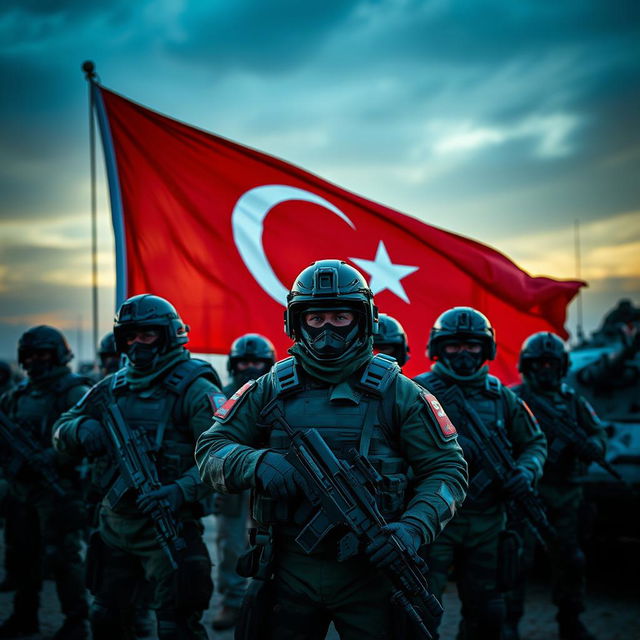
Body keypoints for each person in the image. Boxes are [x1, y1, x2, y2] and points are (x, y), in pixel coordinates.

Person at [195, 259, 468, 640]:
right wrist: (258, 463)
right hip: (286, 569)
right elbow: (210, 450)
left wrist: (412, 529)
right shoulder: (268, 388)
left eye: (340, 317)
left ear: (364, 320)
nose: (327, 331)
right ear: (296, 322)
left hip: (373, 571)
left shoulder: (400, 393)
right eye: (316, 318)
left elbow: (447, 470)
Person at [52, 294, 225, 640]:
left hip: (169, 526)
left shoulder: (195, 388)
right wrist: (81, 429)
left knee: (177, 625)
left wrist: (180, 490)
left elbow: (221, 456)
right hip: (115, 526)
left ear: (168, 335)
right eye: (129, 336)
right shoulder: (111, 386)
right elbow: (61, 429)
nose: (136, 344)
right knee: (106, 619)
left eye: (146, 335)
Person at [413, 307, 547, 640]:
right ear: (438, 348)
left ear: (484, 349)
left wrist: (526, 472)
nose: (462, 353)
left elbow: (535, 442)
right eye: (454, 345)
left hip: (487, 522)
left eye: (471, 345)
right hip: (433, 520)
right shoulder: (415, 392)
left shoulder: (502, 397)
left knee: (487, 612)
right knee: (417, 610)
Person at [508, 331, 607, 640]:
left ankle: (570, 619)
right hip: (526, 493)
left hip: (566, 492)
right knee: (517, 561)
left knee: (571, 559)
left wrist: (592, 447)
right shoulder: (513, 398)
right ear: (527, 366)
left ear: (562, 366)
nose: (545, 370)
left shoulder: (572, 400)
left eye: (552, 364)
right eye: (539, 364)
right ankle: (510, 622)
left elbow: (597, 434)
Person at [0, 326, 92, 639]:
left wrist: (52, 458)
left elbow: (85, 438)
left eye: (43, 354)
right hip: (21, 489)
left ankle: (76, 620)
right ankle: (25, 616)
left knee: (63, 558)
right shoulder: (18, 395)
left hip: (59, 489)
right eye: (31, 355)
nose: (36, 361)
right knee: (22, 555)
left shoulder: (74, 391)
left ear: (57, 355)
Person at [211, 333, 277, 631]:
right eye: (244, 362)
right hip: (234, 480)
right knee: (231, 543)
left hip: (272, 477)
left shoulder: (280, 393)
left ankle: (275, 601)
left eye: (257, 362)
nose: (250, 367)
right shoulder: (222, 396)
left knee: (278, 541)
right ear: (233, 365)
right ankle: (233, 600)